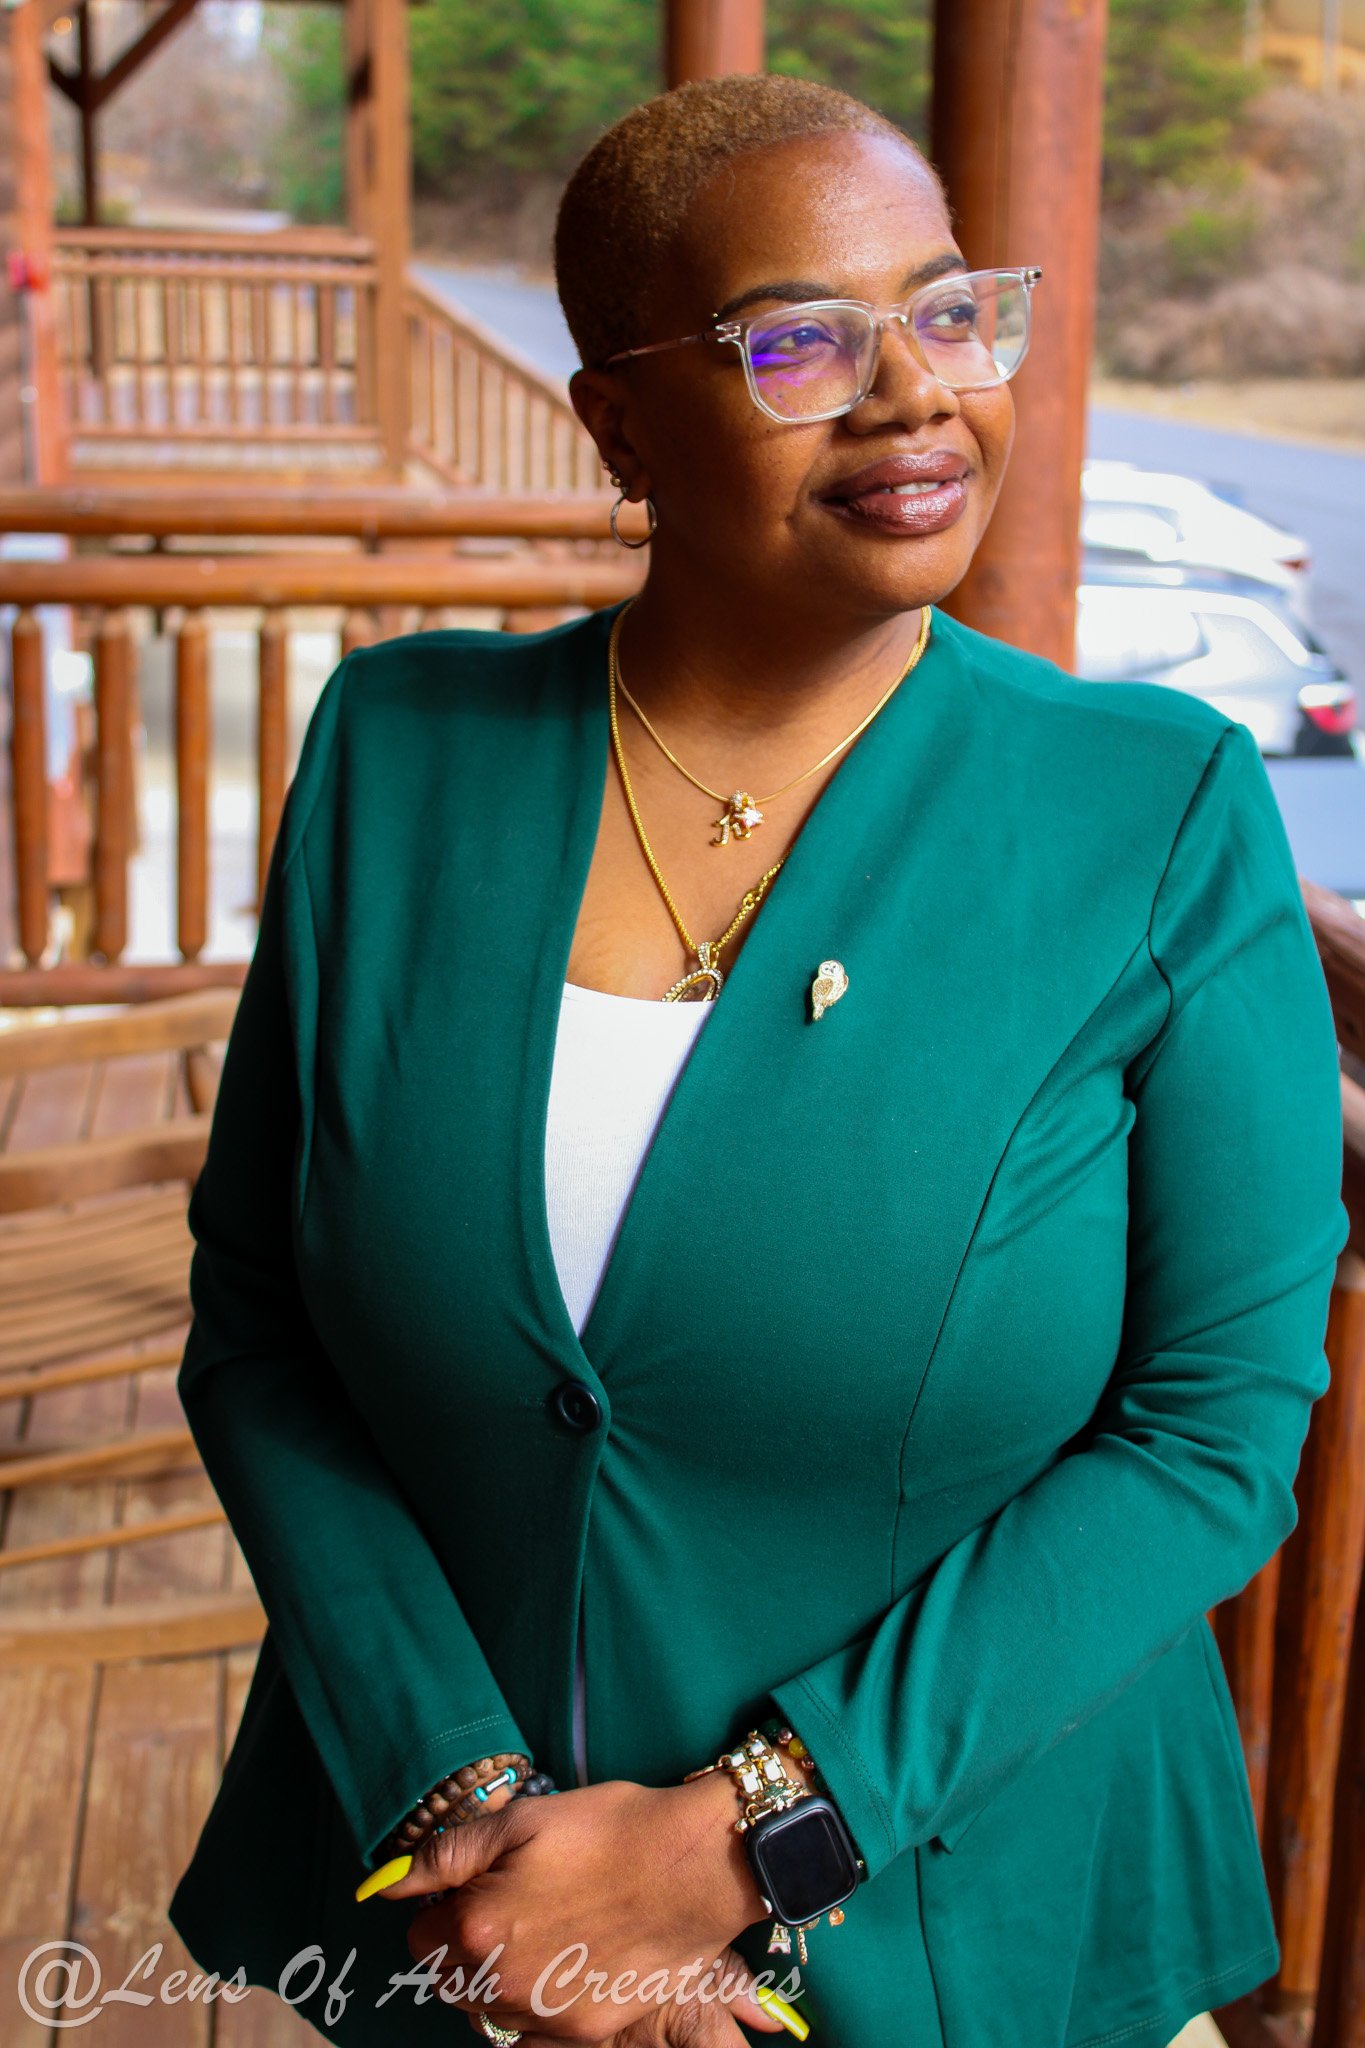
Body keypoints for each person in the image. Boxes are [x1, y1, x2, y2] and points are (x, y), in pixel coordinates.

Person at [166, 72, 1349, 2048]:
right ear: (616, 424)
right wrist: (465, 1810)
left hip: (973, 1919)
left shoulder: (1155, 809)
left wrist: (735, 1842)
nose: (910, 390)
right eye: (795, 338)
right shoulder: (394, 754)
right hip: (455, 1920)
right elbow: (258, 1318)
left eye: (951, 309)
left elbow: (1211, 1433)